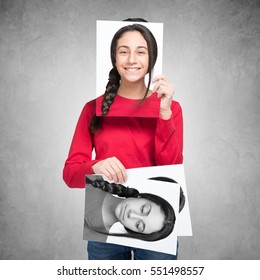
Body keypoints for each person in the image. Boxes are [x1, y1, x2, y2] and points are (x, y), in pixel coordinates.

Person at [63, 19, 183, 260]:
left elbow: (171, 170)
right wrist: (94, 166)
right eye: (123, 51)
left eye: (141, 52)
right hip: (104, 236)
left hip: (154, 227)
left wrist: (164, 114)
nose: (131, 60)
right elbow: (70, 175)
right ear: (114, 59)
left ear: (151, 59)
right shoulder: (92, 109)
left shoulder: (172, 109)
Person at [84, 175, 180, 243]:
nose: (131, 215)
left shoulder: (96, 237)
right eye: (143, 209)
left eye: (138, 225)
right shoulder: (93, 178)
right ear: (143, 197)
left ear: (134, 232)